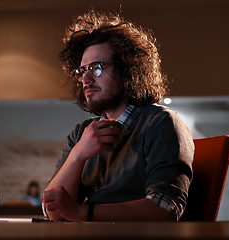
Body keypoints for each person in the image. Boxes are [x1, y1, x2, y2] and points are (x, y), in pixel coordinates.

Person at [42, 11, 194, 222]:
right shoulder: (81, 134)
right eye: (82, 70)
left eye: (96, 68)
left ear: (127, 71)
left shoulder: (160, 123)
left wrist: (81, 213)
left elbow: (165, 209)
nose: (85, 78)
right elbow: (52, 209)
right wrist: (78, 154)